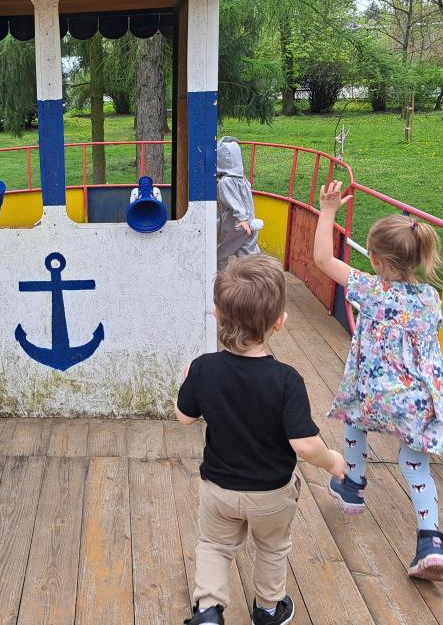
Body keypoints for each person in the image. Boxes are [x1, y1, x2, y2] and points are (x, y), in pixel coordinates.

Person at [176, 254, 346, 625]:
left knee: (214, 545)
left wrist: (188, 379)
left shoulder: (204, 368)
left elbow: (184, 417)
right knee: (272, 548)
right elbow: (304, 445)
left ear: (217, 314)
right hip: (272, 494)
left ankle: (208, 611)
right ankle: (268, 609)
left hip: (219, 489)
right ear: (279, 322)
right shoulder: (287, 380)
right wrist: (333, 461)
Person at [313, 180, 443, 582]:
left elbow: (323, 260)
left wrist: (328, 212)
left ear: (376, 260)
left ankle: (353, 483)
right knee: (415, 466)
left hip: (373, 395)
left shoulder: (371, 290)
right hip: (417, 401)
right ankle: (431, 541)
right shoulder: (430, 299)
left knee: (355, 420)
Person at [216, 136, 263, 270]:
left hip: (237, 225)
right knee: (249, 254)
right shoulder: (242, 179)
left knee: (220, 255)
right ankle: (255, 276)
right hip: (250, 223)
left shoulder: (226, 182)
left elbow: (234, 201)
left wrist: (241, 218)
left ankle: (220, 276)